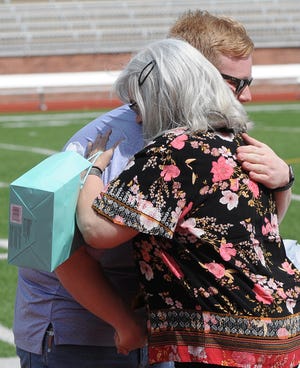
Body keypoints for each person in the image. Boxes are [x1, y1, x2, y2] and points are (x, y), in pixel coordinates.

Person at [13, 10, 295, 368]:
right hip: (92, 332)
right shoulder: (128, 141)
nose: (248, 95)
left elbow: (241, 236)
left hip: (182, 331)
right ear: (190, 76)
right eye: (234, 83)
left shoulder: (203, 140)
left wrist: (282, 182)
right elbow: (62, 248)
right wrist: (122, 321)